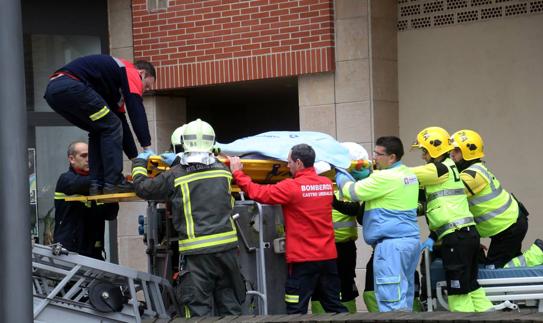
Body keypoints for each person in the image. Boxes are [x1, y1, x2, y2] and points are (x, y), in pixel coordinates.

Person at [131, 119, 245, 317]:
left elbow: (142, 188)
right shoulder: (223, 171)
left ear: (183, 144)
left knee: (197, 308)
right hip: (227, 251)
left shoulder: (175, 175)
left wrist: (139, 164)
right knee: (229, 305)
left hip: (198, 253)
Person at [229, 144, 348, 314]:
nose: (287, 165)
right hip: (328, 258)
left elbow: (258, 192)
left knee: (295, 310)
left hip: (303, 261)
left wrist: (238, 173)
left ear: (298, 163)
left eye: (289, 162)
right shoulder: (326, 184)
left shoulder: (292, 187)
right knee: (334, 306)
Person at [450, 129, 543, 268]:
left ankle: (539, 253)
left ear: (469, 151)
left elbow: (450, 195)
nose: (452, 154)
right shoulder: (472, 171)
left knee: (495, 270)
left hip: (509, 227)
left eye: (456, 150)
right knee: (509, 262)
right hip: (506, 226)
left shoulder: (473, 175)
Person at [44, 54, 156, 195]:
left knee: (99, 128)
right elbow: (136, 109)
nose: (143, 90)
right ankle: (113, 182)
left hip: (54, 92)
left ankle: (97, 184)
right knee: (111, 125)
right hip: (70, 85)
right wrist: (147, 148)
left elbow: (122, 123)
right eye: (146, 86)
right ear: (142, 73)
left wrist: (135, 159)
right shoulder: (130, 70)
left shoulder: (113, 91)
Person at [411, 126, 492, 312]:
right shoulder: (448, 169)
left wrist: (374, 173)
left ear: (434, 149)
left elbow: (404, 174)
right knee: (472, 288)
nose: (423, 156)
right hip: (467, 235)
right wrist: (433, 235)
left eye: (424, 151)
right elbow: (433, 203)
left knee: (458, 293)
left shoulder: (438, 169)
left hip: (456, 237)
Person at [335, 136, 420, 312]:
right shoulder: (407, 174)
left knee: (391, 302)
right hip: (409, 243)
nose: (374, 158)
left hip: (391, 247)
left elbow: (350, 192)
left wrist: (340, 174)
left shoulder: (385, 178)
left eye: (379, 154)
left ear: (392, 157)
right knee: (404, 299)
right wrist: (368, 176)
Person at [311, 142, 367, 314]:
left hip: (343, 246)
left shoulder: (346, 183)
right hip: (321, 246)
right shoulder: (318, 179)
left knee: (345, 288)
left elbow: (353, 209)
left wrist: (333, 202)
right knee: (318, 289)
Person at [53, 141, 119, 260]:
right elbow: (81, 184)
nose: (89, 159)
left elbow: (110, 215)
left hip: (94, 251)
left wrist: (112, 196)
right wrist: (109, 179)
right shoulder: (66, 180)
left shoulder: (98, 184)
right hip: (69, 252)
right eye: (83, 156)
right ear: (72, 159)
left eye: (90, 156)